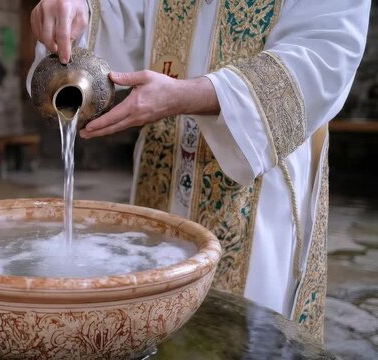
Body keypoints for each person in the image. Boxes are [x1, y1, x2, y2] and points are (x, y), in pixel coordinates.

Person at [27, 0, 370, 341]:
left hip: (258, 181)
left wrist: (189, 95)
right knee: (154, 328)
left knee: (245, 335)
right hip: (162, 170)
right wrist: (82, 13)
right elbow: (125, 14)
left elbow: (325, 53)